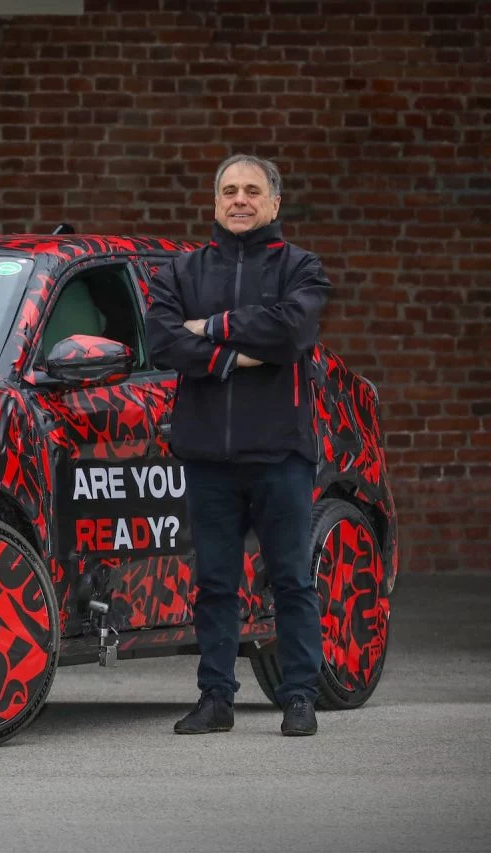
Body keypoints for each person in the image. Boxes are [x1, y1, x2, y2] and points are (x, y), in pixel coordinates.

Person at [145, 154, 331, 737]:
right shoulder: (182, 272)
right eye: (230, 190)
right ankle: (215, 698)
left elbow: (293, 331)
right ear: (215, 202)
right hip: (207, 457)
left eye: (253, 190)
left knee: (292, 578)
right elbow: (160, 340)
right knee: (215, 585)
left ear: (275, 203)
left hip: (280, 454)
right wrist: (236, 357)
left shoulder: (303, 267)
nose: (240, 199)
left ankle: (299, 695)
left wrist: (212, 326)